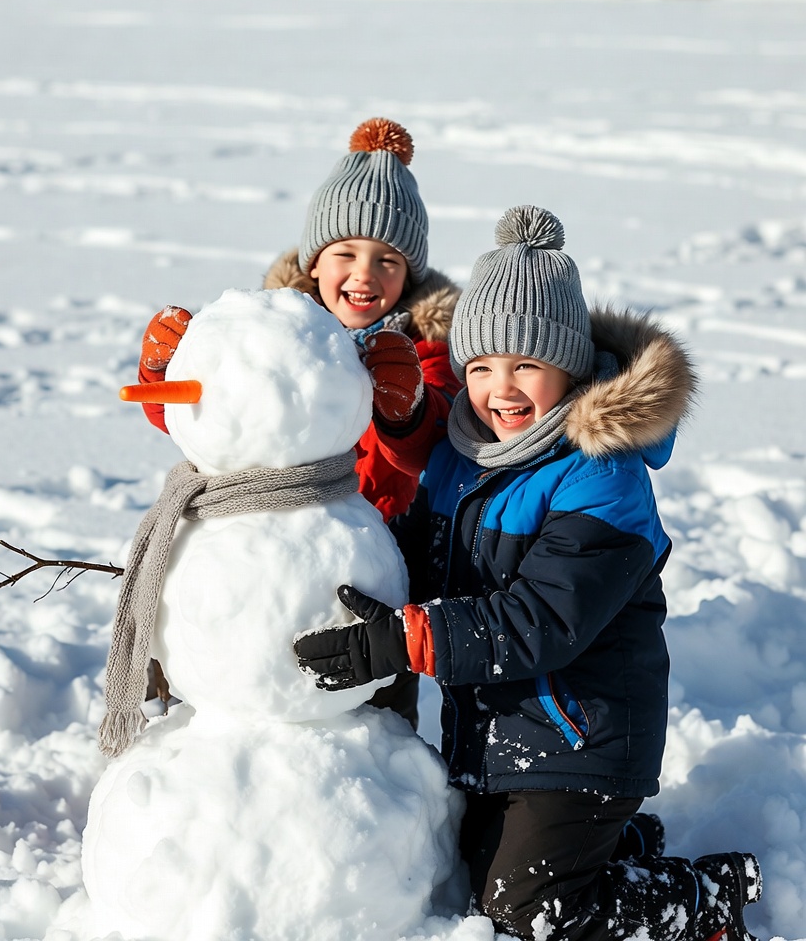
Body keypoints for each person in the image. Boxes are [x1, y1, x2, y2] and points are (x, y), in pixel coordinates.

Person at [293, 205, 762, 941]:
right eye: (480, 367)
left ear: (569, 367)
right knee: (469, 870)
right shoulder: (462, 453)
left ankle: (705, 897)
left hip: (583, 738)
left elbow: (544, 621)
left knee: (527, 911)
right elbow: (423, 556)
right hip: (502, 731)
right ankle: (620, 848)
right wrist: (359, 587)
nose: (501, 390)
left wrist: (402, 640)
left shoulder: (601, 477)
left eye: (526, 366)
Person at [135, 117, 464, 728]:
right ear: (314, 262)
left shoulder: (427, 355)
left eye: (387, 259)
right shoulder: (274, 333)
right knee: (233, 675)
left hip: (366, 566)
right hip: (255, 546)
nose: (365, 274)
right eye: (346, 253)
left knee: (371, 709)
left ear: (410, 274)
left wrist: (405, 408)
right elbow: (214, 414)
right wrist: (164, 376)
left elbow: (433, 442)